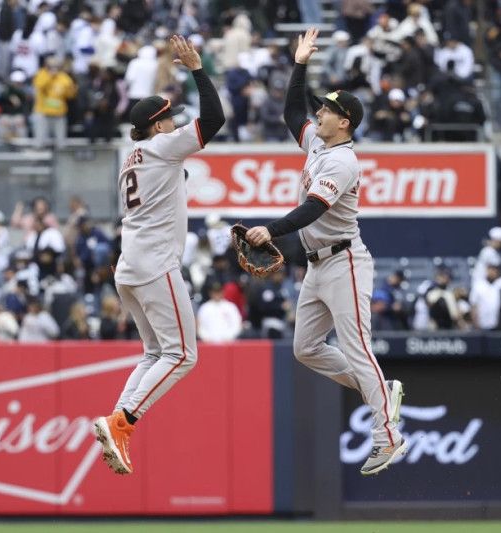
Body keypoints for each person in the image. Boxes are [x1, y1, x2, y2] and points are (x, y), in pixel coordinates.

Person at [244, 28, 405, 476]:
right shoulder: (318, 141)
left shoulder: (343, 160)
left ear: (345, 122)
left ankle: (388, 437)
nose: (319, 112)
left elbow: (313, 208)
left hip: (345, 260)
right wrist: (300, 63)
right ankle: (380, 389)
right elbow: (291, 112)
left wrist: (270, 230)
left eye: (328, 110)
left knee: (357, 347)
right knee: (305, 348)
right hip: (318, 265)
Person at [93, 35, 225, 476]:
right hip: (154, 265)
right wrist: (198, 70)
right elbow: (215, 119)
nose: (173, 123)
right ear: (157, 125)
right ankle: (124, 422)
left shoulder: (131, 157)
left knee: (154, 354)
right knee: (183, 355)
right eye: (168, 118)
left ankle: (117, 421)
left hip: (129, 266)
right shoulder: (161, 145)